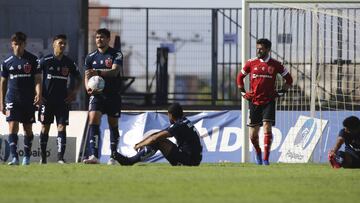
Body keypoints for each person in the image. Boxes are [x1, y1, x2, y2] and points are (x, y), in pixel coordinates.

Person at [236, 38, 293, 165]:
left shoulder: (276, 64)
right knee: (252, 135)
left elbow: (289, 79)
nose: (258, 50)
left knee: (267, 128)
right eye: (257, 48)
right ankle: (258, 152)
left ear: (268, 49)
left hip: (268, 101)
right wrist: (243, 92)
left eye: (261, 48)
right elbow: (240, 77)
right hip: (254, 101)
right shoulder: (251, 63)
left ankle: (266, 159)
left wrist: (281, 92)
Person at [113, 103, 203, 166]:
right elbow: (158, 134)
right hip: (192, 159)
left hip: (189, 161)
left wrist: (139, 145)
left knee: (158, 141)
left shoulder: (179, 125)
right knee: (158, 139)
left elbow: (155, 138)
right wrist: (142, 142)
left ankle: (130, 161)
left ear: (170, 115)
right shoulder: (183, 122)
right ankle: (130, 160)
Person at [38, 34, 81, 164]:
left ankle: (60, 158)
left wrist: (74, 92)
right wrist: (39, 94)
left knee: (62, 127)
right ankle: (43, 157)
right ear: (54, 44)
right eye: (60, 43)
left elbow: (79, 78)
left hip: (62, 101)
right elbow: (35, 77)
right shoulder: (45, 60)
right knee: (45, 127)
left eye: (64, 44)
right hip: (47, 101)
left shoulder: (69, 62)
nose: (62, 45)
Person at [0, 32, 42, 165]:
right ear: (12, 45)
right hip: (12, 99)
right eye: (15, 44)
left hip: (28, 99)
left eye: (21, 44)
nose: (18, 47)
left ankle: (27, 157)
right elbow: (2, 83)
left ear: (25, 44)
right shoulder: (7, 62)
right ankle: (14, 158)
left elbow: (37, 80)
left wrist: (39, 94)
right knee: (12, 126)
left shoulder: (33, 60)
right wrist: (1, 102)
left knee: (27, 129)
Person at [82, 28, 123, 165]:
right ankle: (94, 155)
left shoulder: (116, 54)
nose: (99, 39)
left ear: (108, 39)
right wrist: (88, 87)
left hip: (112, 95)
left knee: (113, 124)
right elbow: (87, 76)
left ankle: (113, 156)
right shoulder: (90, 57)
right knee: (93, 119)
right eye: (97, 37)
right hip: (97, 95)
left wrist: (98, 72)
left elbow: (115, 71)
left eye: (102, 37)